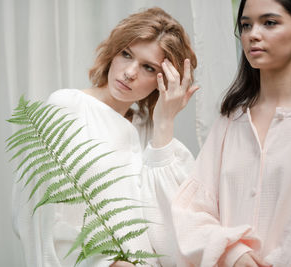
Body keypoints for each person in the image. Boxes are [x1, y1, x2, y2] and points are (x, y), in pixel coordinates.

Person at [12, 7, 197, 267]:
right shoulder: (67, 106)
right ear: (113, 51)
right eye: (126, 54)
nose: (130, 72)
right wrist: (108, 263)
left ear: (163, 80)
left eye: (147, 67)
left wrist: (165, 123)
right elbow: (39, 210)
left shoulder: (153, 134)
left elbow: (180, 226)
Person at [171, 0, 291, 266]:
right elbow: (190, 213)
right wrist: (232, 251)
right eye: (245, 25)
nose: (253, 34)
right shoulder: (230, 122)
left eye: (269, 22)